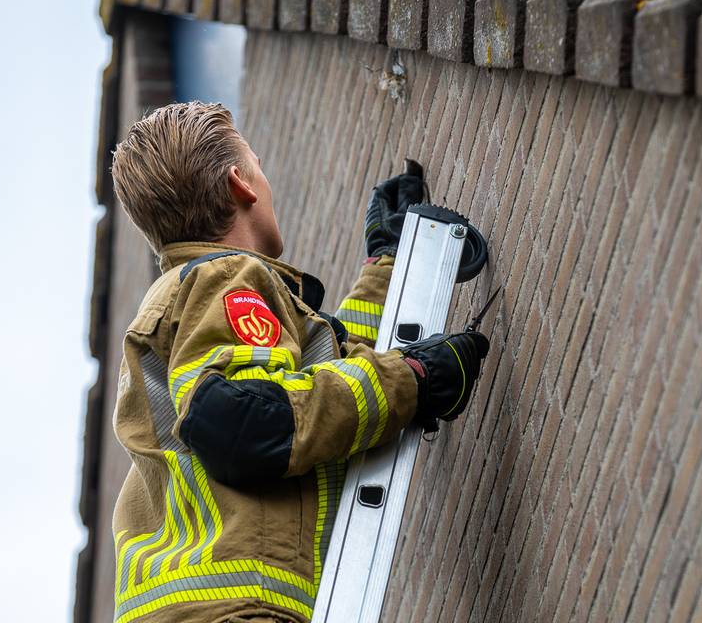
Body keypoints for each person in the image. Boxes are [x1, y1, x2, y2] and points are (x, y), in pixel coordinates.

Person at [107, 101, 491, 623]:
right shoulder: (226, 277)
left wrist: (386, 267)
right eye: (259, 165)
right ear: (241, 184)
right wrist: (414, 379)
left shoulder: (193, 297)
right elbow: (246, 420)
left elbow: (311, 384)